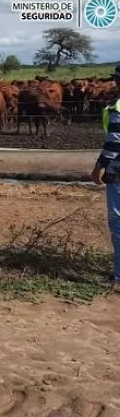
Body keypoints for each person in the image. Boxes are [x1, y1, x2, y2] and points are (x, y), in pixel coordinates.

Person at [91, 65, 120, 283]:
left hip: (118, 170)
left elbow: (115, 142)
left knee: (118, 223)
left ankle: (119, 275)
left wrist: (100, 165)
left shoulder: (117, 107)